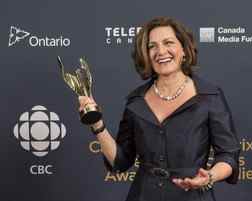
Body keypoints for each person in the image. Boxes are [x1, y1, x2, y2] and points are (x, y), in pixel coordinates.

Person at [79, 16, 240, 201]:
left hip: (193, 196)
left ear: (184, 50)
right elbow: (121, 162)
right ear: (146, 54)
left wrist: (209, 176)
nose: (160, 51)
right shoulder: (136, 101)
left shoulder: (210, 96)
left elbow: (228, 154)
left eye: (168, 42)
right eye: (152, 46)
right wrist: (97, 124)